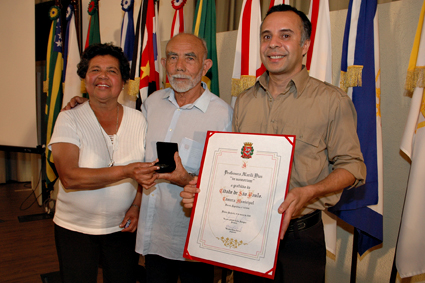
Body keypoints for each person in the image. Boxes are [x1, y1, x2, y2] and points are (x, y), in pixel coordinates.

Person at [182, 5, 366, 283]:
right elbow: (236, 167)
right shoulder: (244, 101)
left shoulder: (332, 101)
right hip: (247, 233)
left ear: (305, 45)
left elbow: (353, 167)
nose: (273, 44)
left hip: (301, 239)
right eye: (266, 36)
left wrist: (310, 191)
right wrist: (203, 189)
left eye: (285, 35)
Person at [64, 33, 233, 283]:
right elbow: (138, 157)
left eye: (190, 58)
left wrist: (186, 178)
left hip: (193, 237)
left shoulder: (223, 115)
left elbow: (226, 184)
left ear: (205, 66)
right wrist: (86, 105)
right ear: (164, 64)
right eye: (173, 57)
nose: (180, 66)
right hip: (154, 233)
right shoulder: (152, 104)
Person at [49, 43, 158, 283]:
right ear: (85, 78)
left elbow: (146, 171)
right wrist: (126, 171)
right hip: (74, 229)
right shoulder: (69, 118)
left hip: (122, 227)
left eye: (112, 70)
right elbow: (69, 177)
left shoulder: (139, 119)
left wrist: (137, 206)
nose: (103, 76)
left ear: (123, 81)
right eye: (95, 69)